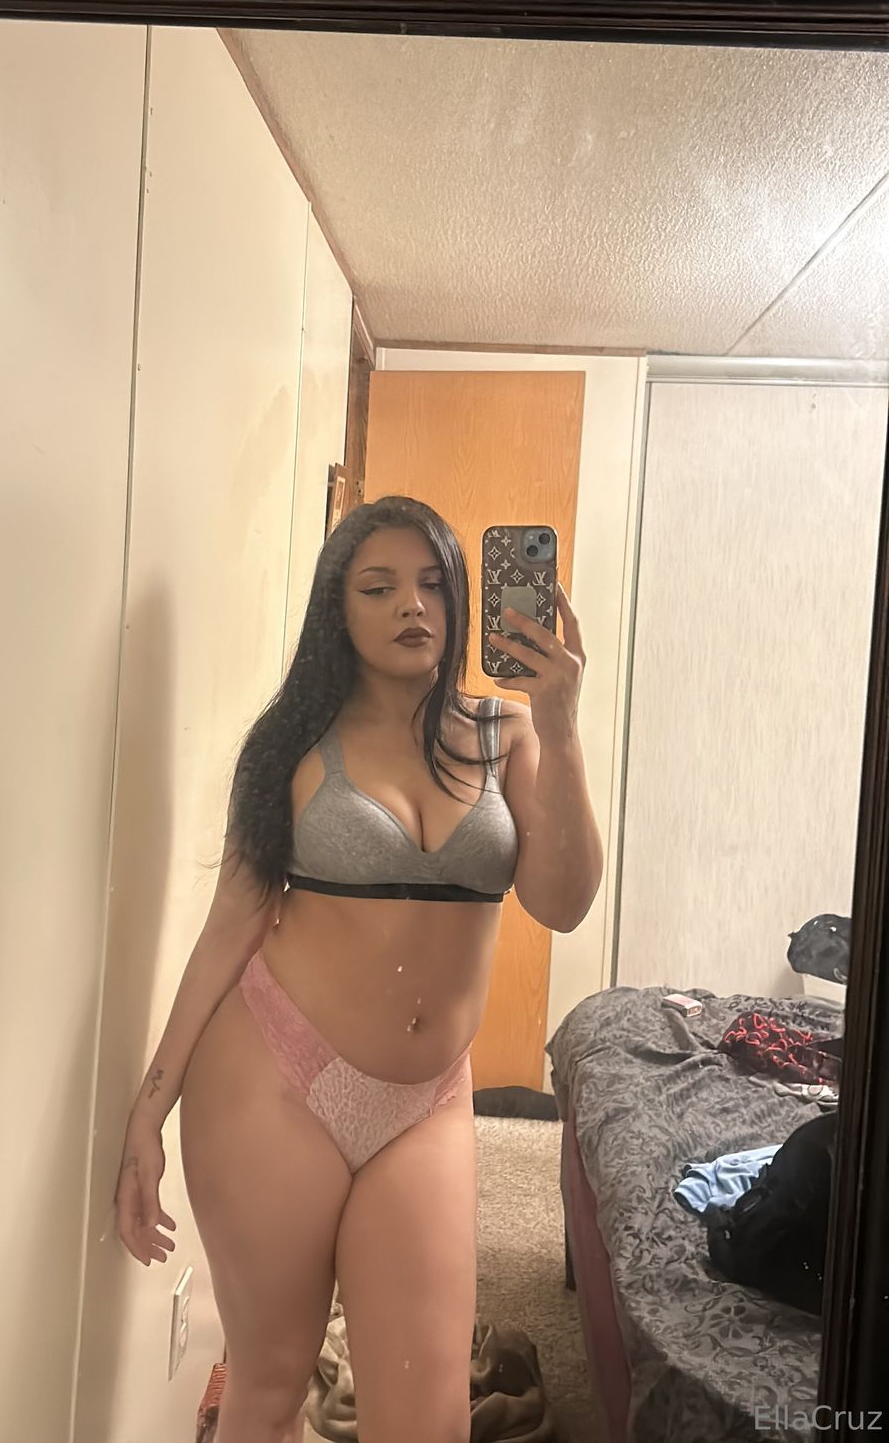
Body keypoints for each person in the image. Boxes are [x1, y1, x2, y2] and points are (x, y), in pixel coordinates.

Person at [114, 494, 603, 1443]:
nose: (410, 605)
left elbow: (563, 902)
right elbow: (230, 927)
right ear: (337, 608)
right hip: (274, 1076)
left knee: (427, 1421)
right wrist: (149, 1107)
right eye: (378, 588)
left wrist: (564, 723)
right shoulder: (290, 744)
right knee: (269, 1383)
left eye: (432, 584)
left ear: (463, 601)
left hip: (427, 1100)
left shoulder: (508, 735)